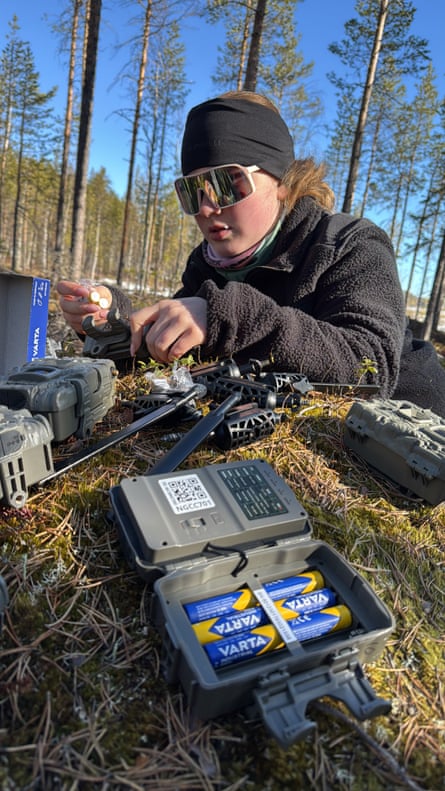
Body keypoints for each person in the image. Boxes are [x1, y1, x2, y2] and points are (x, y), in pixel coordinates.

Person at [57, 90, 445, 418]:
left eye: (227, 183)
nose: (207, 208)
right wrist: (112, 320)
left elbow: (371, 368)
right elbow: (171, 344)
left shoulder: (350, 244)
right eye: (192, 192)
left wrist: (226, 316)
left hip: (415, 445)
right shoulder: (209, 263)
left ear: (281, 182)